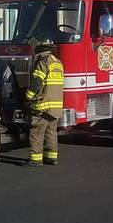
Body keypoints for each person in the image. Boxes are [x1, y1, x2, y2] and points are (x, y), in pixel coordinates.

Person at [25, 38, 64, 167]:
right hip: (55, 107)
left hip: (43, 105)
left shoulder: (42, 61)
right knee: (51, 131)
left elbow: (37, 81)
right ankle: (52, 157)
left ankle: (35, 160)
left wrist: (28, 96)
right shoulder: (58, 62)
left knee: (36, 131)